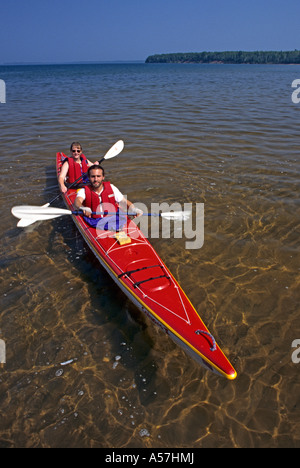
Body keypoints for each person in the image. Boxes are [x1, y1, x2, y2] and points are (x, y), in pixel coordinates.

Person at [74, 165, 142, 228]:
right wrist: (82, 207)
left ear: (103, 177)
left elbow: (123, 201)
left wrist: (133, 208)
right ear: (88, 177)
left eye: (98, 176)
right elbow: (78, 201)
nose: (96, 179)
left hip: (114, 218)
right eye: (93, 176)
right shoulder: (83, 191)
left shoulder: (111, 187)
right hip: (94, 220)